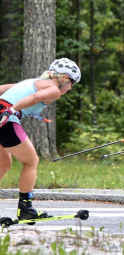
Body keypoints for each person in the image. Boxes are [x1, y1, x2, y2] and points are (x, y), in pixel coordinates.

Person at [0, 58, 81, 220]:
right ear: (64, 79)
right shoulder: (54, 89)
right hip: (6, 116)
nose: (70, 88)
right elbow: (37, 97)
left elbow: (2, 88)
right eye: (72, 83)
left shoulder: (33, 81)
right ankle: (25, 208)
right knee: (31, 161)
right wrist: (13, 109)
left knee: (4, 164)